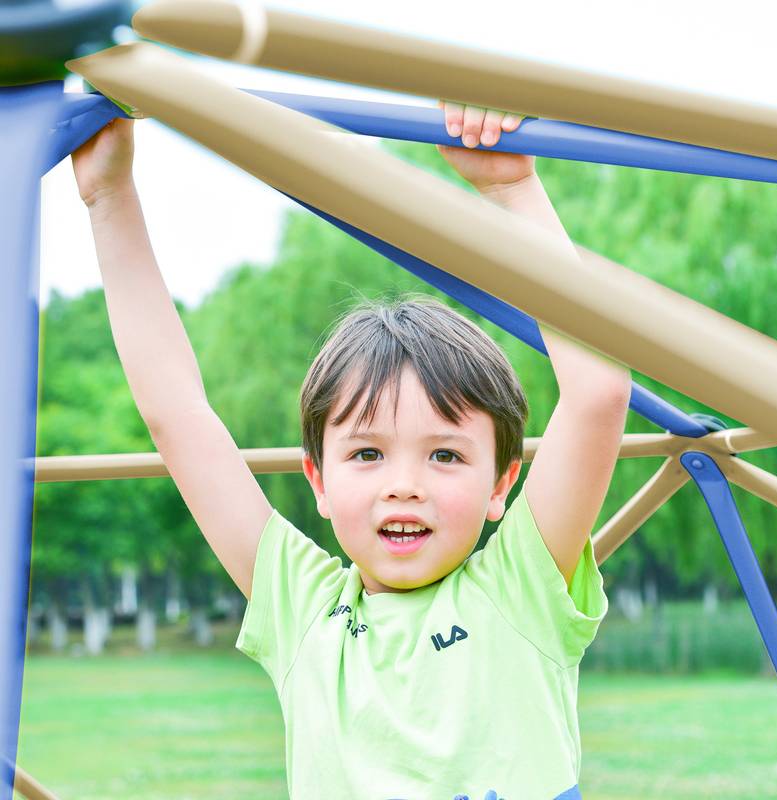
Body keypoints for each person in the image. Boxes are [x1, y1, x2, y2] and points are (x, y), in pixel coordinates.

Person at [72, 99, 631, 800]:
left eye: (445, 455)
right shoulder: (300, 604)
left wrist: (512, 191)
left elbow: (599, 394)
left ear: (501, 484)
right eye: (368, 454)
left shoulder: (520, 588)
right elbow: (177, 418)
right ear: (319, 479)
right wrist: (107, 195)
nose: (404, 485)